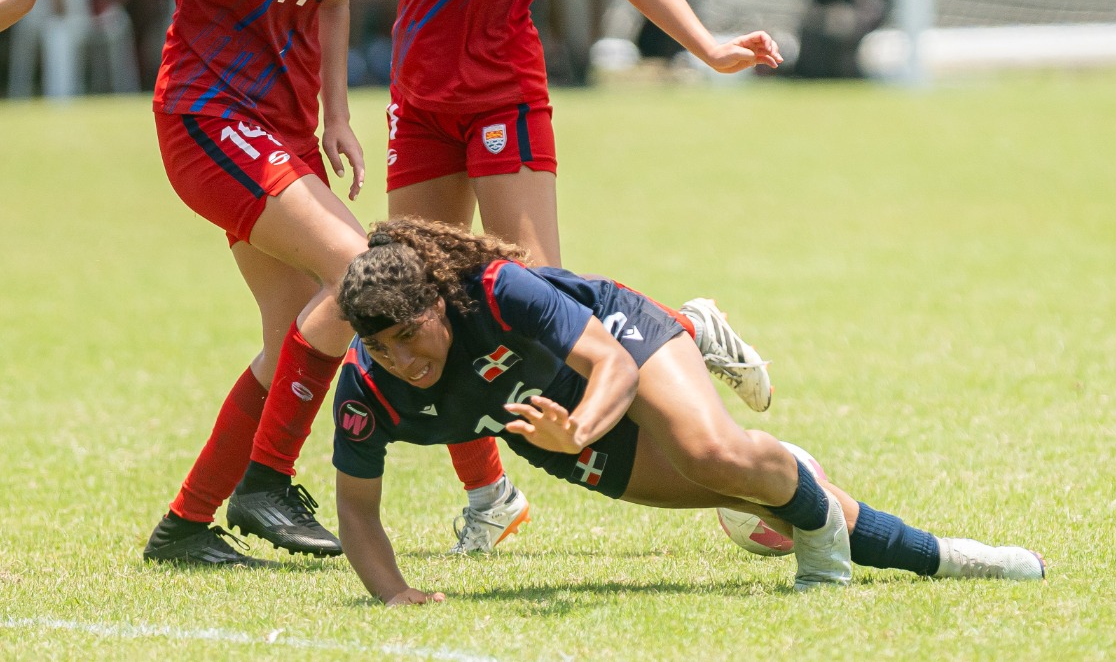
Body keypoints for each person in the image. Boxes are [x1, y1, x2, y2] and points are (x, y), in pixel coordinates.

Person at [0, 0, 511, 567]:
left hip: (280, 132)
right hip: (206, 121)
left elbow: (331, 1)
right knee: (360, 275)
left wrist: (337, 115)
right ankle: (267, 481)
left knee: (294, 337)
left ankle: (186, 526)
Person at [346, 0, 780, 549]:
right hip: (419, 104)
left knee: (535, 295)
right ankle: (493, 501)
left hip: (504, 100)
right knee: (423, 301)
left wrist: (709, 47)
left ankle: (686, 333)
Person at [330, 219, 1047, 604]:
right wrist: (396, 594)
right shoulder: (367, 390)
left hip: (617, 339)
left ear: (434, 305)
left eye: (408, 336)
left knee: (713, 453)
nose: (403, 360)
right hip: (549, 428)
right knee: (750, 489)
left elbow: (609, 362)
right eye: (381, 348)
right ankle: (947, 556)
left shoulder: (495, 290)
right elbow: (358, 511)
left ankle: (697, 339)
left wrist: (579, 428)